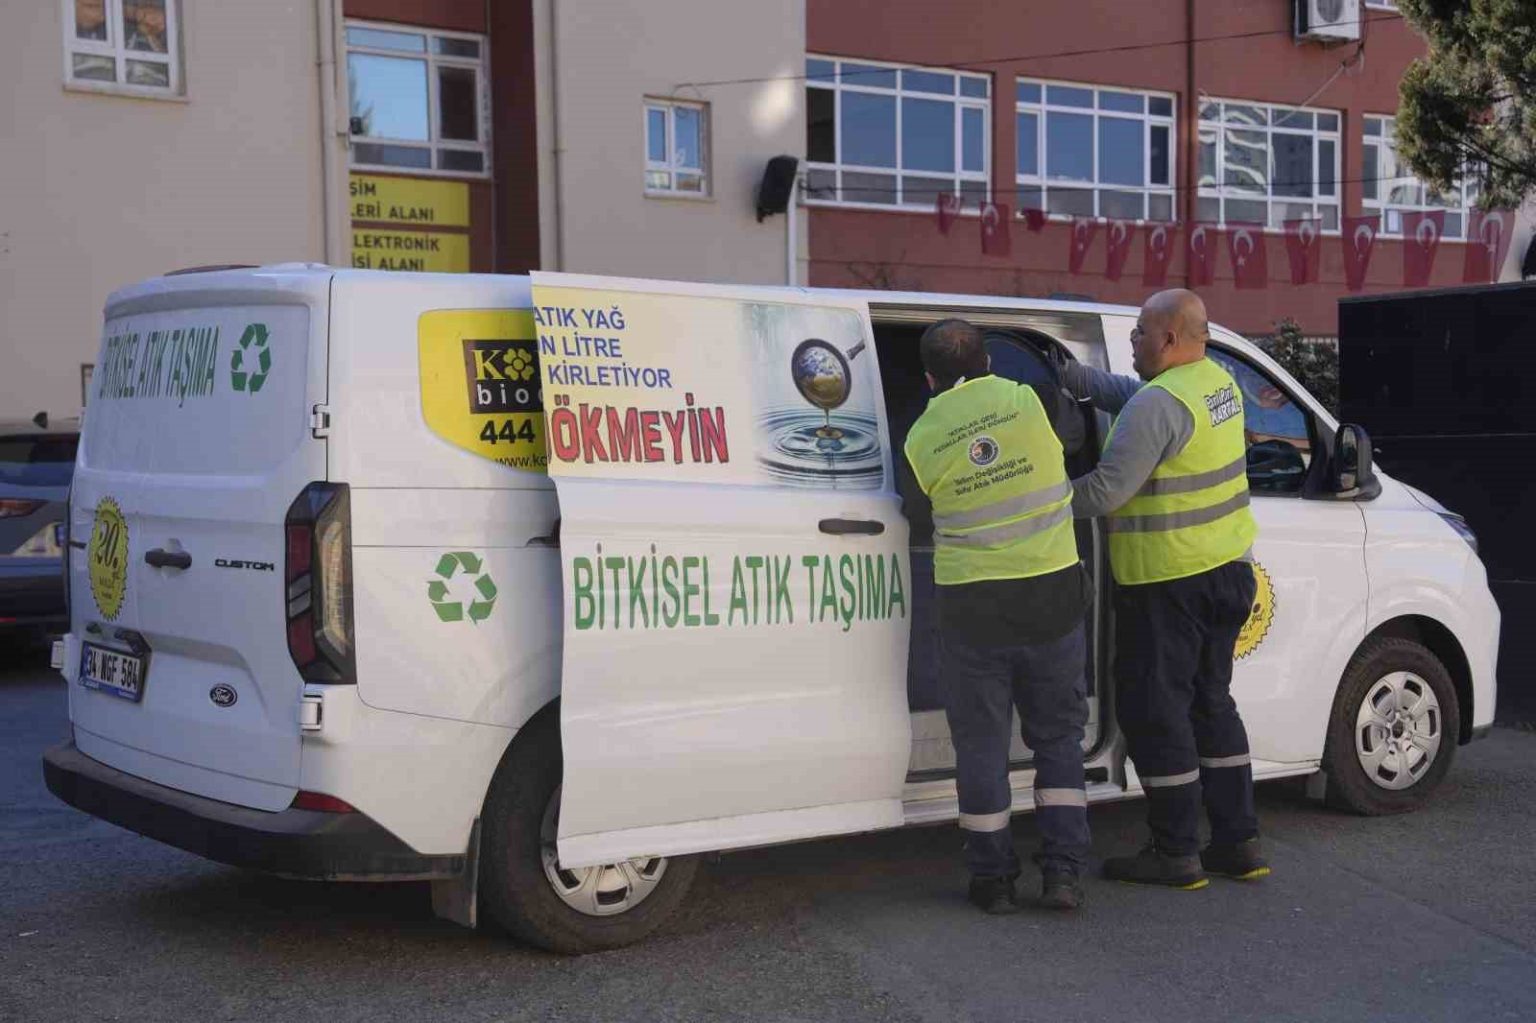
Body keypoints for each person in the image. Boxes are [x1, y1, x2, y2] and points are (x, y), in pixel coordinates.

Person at [1057, 289, 1268, 889]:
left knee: (1156, 712)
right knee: (1212, 703)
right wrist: (1080, 379)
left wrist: (1027, 500)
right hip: (1228, 572)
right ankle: (1239, 842)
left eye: (1140, 332)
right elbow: (1143, 400)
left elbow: (1104, 491)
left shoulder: (1158, 405)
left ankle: (1175, 851)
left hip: (1168, 583)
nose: (1132, 339)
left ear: (1169, 339)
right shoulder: (1217, 382)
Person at [900, 318, 1094, 913]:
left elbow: (917, 515)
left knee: (981, 746)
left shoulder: (920, 436)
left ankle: (993, 881)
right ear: (988, 362)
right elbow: (1078, 440)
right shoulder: (1034, 401)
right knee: (1057, 738)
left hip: (972, 608)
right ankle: (1062, 874)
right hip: (1050, 597)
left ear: (930, 378)